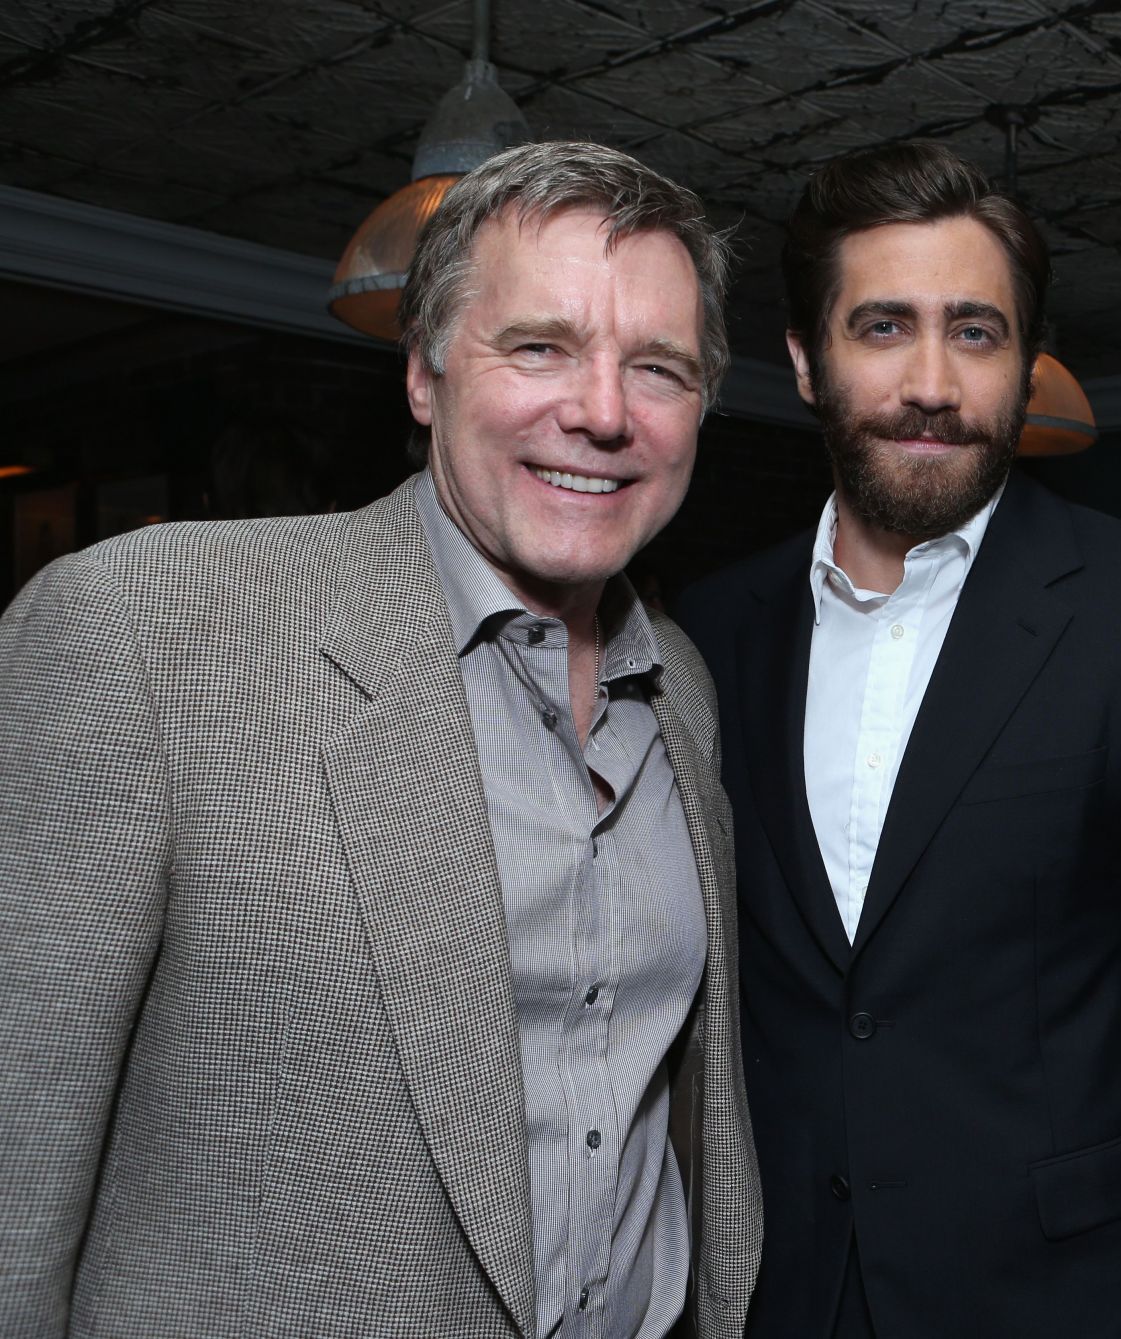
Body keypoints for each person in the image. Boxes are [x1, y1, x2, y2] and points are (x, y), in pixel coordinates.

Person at [0, 141, 760, 1338]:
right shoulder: (147, 632)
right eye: (540, 346)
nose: (603, 412)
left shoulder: (684, 688)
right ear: (424, 372)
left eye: (657, 367)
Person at [676, 141, 1121, 1338]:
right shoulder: (713, 626)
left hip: (1054, 1300)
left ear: (1026, 362)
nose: (931, 382)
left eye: (975, 332)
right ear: (806, 360)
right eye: (883, 327)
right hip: (779, 1293)